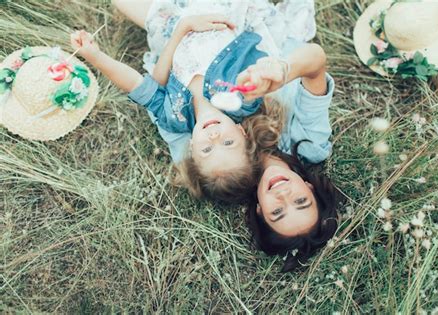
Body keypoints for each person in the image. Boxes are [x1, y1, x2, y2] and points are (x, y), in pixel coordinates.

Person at [70, 0, 317, 203]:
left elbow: (142, 84)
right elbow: (254, 47)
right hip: (221, 10)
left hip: (171, 27)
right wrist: (256, 77)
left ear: (191, 151)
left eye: (207, 150)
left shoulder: (173, 118)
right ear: (242, 133)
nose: (214, 137)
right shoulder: (243, 98)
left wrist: (96, 57)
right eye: (228, 142)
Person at [237, 41, 339, 272]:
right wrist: (280, 73)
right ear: (309, 188)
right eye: (300, 201)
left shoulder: (226, 170)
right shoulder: (311, 145)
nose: (284, 195)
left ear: (260, 211)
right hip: (265, 39)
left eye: (277, 212)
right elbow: (315, 60)